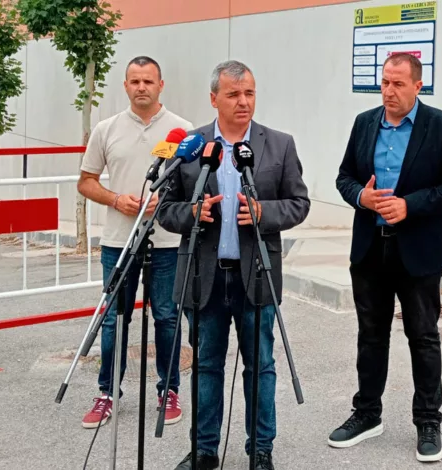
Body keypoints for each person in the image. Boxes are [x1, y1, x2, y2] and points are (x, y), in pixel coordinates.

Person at [157, 60, 310, 470]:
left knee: (260, 367)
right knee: (206, 366)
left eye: (249, 93)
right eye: (233, 94)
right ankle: (204, 450)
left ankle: (260, 449)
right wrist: (193, 213)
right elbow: (165, 210)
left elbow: (299, 203)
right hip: (203, 276)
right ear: (214, 98)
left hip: (256, 276)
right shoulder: (190, 146)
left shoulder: (279, 144)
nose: (243, 102)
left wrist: (264, 212)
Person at [329, 52, 442, 462]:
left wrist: (411, 205)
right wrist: (362, 197)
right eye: (385, 83)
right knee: (371, 335)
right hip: (370, 248)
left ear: (417, 86)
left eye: (397, 84)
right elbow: (344, 177)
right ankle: (367, 414)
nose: (388, 91)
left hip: (419, 250)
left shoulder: (441, 126)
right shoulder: (365, 123)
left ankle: (428, 421)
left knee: (423, 337)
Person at [77, 55, 193, 429]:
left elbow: (194, 185)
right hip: (119, 241)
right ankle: (107, 393)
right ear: (125, 86)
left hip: (167, 242)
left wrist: (168, 201)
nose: (141, 87)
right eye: (135, 81)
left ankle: (169, 390)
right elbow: (86, 182)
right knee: (114, 319)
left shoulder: (183, 130)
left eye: (148, 81)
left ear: (161, 85)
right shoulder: (106, 129)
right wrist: (115, 199)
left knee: (167, 317)